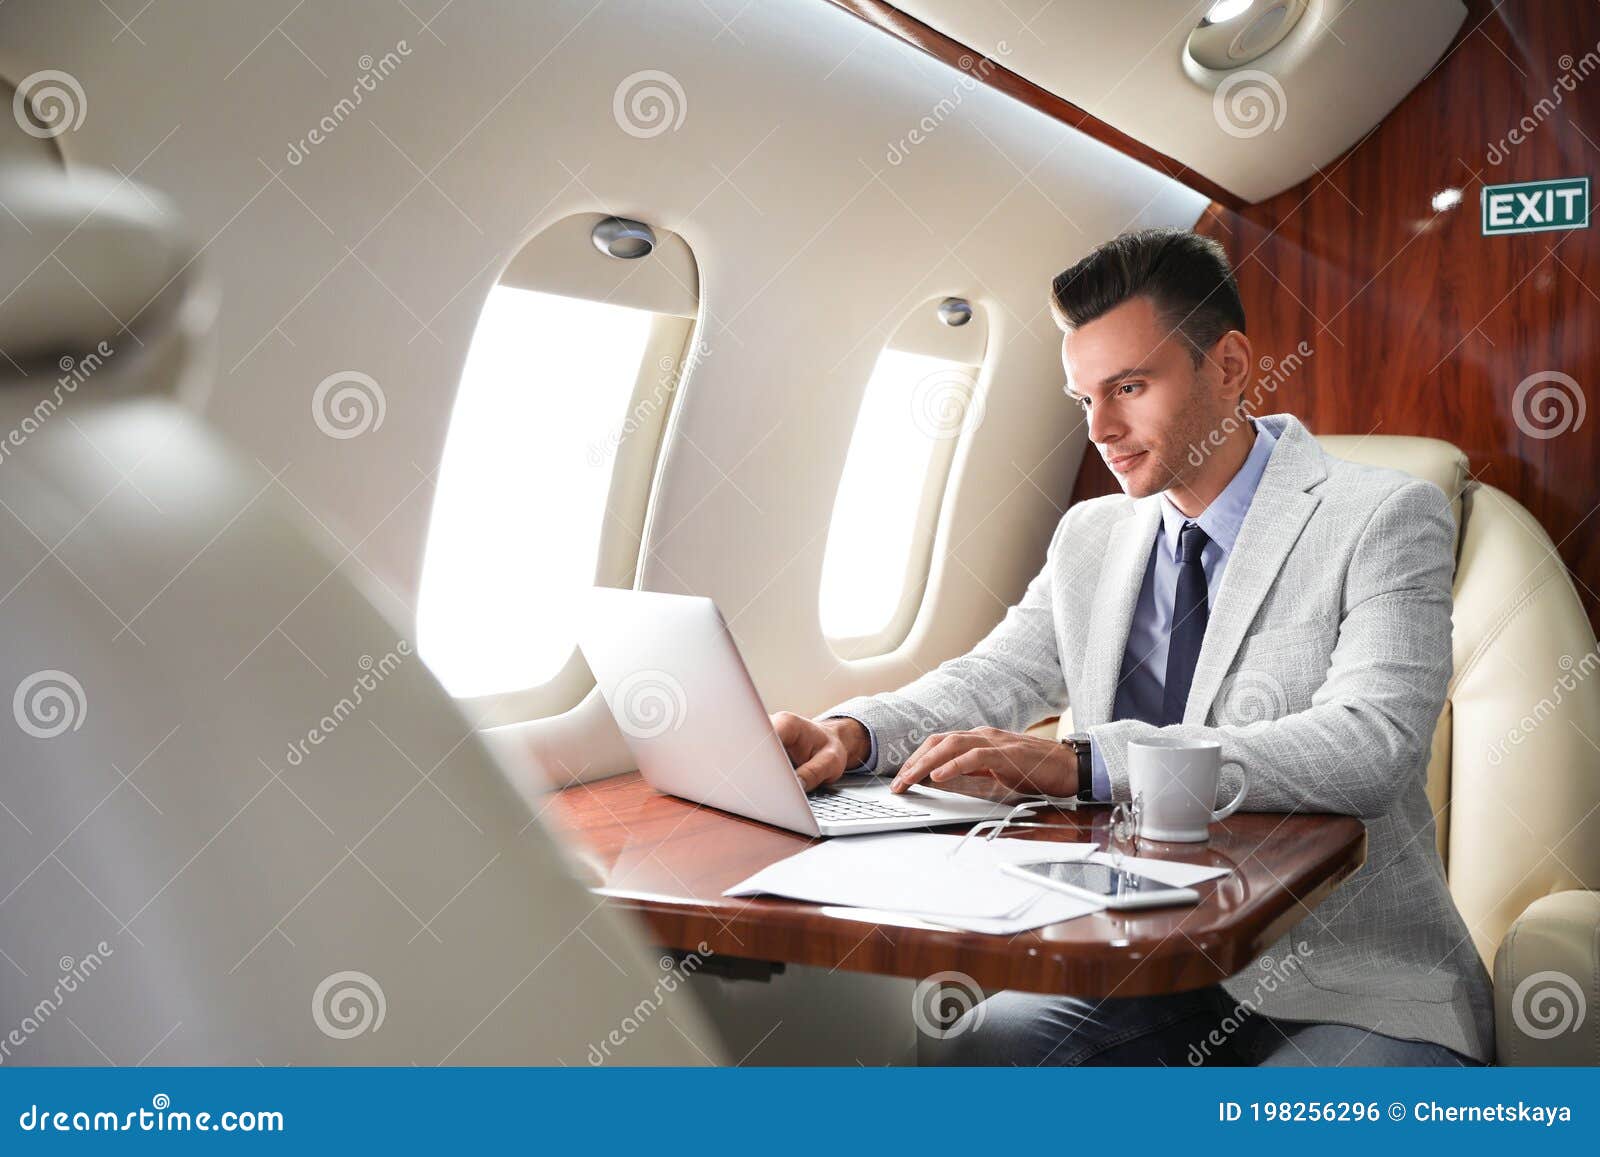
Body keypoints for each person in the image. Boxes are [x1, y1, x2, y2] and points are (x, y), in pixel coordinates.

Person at [768, 228, 1493, 1066]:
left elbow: (1373, 745)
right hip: (1133, 960)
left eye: (1130, 387)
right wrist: (851, 733)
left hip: (1348, 977)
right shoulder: (1092, 534)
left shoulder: (1383, 515)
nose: (1102, 429)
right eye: (1084, 400)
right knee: (968, 1049)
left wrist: (1085, 762)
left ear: (1228, 365)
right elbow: (998, 674)